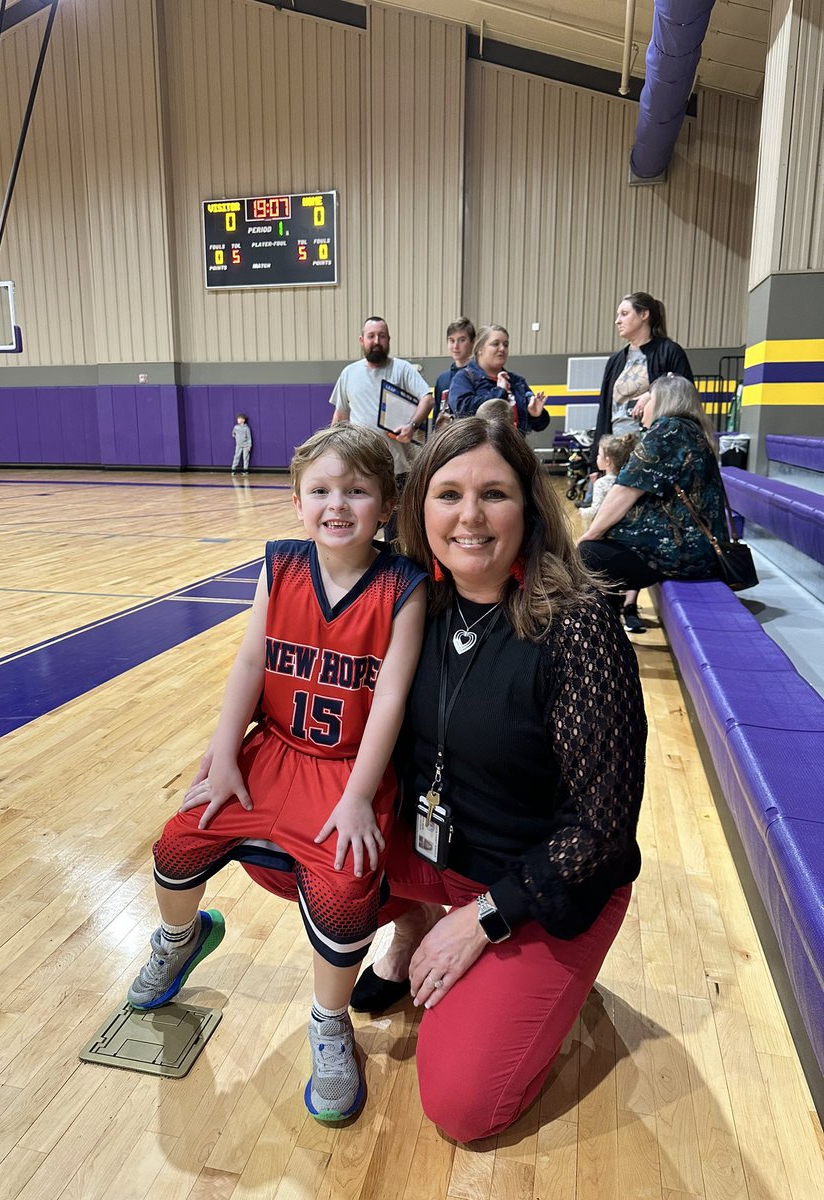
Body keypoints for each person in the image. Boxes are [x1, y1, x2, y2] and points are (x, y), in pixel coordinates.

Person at [241, 417, 646, 1143]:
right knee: (295, 846)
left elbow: (604, 834)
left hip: (540, 882)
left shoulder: (579, 627)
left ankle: (538, 969)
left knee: (462, 1106)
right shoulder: (410, 600)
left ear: (528, 505)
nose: (469, 516)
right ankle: (412, 924)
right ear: (417, 507)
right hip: (434, 854)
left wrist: (485, 918)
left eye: (493, 493)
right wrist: (225, 762)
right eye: (448, 493)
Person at [127, 424, 427, 1123]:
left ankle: (329, 1021)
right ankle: (181, 937)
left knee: (347, 893)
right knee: (176, 845)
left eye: (357, 490)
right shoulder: (281, 566)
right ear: (296, 502)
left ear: (385, 504)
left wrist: (359, 797)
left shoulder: (403, 586)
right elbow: (249, 663)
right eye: (320, 490)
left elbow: (389, 700)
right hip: (273, 752)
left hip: (347, 770)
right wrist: (225, 750)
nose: (337, 504)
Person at [578, 375, 729, 597]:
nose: (640, 410)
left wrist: (590, 533)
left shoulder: (669, 429)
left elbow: (625, 489)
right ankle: (613, 622)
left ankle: (603, 628)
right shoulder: (693, 430)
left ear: (662, 402)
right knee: (600, 555)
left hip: (684, 555)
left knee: (589, 554)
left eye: (646, 401)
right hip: (698, 551)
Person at [330, 316, 433, 541]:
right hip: (361, 467)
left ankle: (395, 572)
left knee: (396, 533)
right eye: (371, 336)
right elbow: (340, 417)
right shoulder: (349, 373)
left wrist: (412, 426)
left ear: (389, 339)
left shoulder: (402, 369)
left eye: (382, 336)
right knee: (361, 528)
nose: (377, 340)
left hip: (398, 468)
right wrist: (330, 453)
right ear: (361, 340)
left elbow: (427, 398)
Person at [587, 292, 693, 477]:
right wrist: (595, 464)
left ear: (644, 315)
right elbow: (604, 411)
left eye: (624, 314)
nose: (617, 321)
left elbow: (685, 395)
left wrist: (653, 393)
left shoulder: (669, 351)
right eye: (618, 315)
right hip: (617, 451)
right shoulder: (615, 361)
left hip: (652, 449)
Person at [581, 433, 645, 632]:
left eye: (599, 454)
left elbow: (597, 510)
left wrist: (582, 511)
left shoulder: (602, 483)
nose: (596, 458)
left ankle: (606, 613)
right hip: (625, 540)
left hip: (604, 537)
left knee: (602, 574)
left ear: (607, 460)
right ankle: (629, 606)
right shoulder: (630, 481)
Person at [448, 325, 550, 436]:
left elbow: (540, 425)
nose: (502, 349)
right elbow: (462, 411)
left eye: (505, 345)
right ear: (480, 349)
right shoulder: (464, 378)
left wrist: (535, 415)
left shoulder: (516, 382)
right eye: (495, 344)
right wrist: (499, 391)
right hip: (478, 449)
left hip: (512, 448)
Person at [432, 317, 476, 428]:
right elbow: (436, 417)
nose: (456, 346)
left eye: (462, 340)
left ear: (472, 342)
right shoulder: (442, 379)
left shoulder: (479, 376)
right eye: (451, 340)